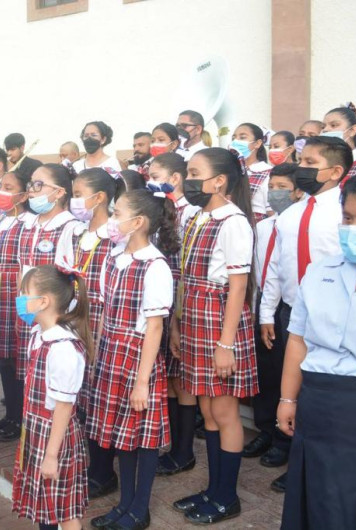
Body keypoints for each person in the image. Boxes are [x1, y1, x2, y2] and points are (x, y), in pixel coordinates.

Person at [278, 168, 356, 529]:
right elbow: (298, 338)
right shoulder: (322, 270)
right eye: (348, 218)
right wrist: (288, 399)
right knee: (319, 503)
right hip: (319, 405)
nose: (354, 227)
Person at [171, 148, 258, 524]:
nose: (188, 180)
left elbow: (238, 288)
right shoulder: (197, 217)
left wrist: (226, 345)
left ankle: (227, 496)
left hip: (219, 322)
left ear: (219, 180)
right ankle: (212, 488)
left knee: (224, 411)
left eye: (195, 173)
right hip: (194, 318)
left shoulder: (233, 222)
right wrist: (177, 324)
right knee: (207, 409)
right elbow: (184, 276)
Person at [259, 137, 351, 491]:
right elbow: (276, 266)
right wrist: (268, 312)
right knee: (291, 384)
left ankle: (315, 461)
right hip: (291, 313)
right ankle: (292, 451)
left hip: (331, 315)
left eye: (311, 162)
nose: (302, 168)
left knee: (320, 390)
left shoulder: (344, 213)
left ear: (335, 171)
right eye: (302, 161)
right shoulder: (291, 214)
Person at [88, 189, 176, 530]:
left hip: (138, 357)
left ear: (138, 222)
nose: (112, 220)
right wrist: (97, 353)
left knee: (143, 436)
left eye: (117, 213)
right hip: (111, 353)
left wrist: (142, 382)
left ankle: (140, 509)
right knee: (122, 436)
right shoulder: (114, 257)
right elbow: (105, 311)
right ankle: (125, 503)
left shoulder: (155, 265)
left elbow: (154, 327)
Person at [12, 264, 92, 530]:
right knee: (45, 503)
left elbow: (63, 406)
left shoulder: (62, 348)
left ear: (43, 301)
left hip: (55, 437)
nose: (20, 299)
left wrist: (51, 455)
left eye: (24, 293)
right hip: (37, 431)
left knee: (64, 509)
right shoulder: (40, 335)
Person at [11, 164, 82, 442]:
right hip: (30, 311)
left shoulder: (70, 228)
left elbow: (71, 280)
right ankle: (32, 428)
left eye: (39, 185)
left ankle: (57, 437)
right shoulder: (27, 225)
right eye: (31, 184)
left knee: (56, 386)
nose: (32, 190)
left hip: (54, 316)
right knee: (34, 378)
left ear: (59, 192)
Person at [243, 163, 302, 492]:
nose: (276, 192)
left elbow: (283, 271)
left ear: (297, 191)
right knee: (266, 371)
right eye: (272, 186)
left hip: (287, 304)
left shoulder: (299, 225)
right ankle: (266, 430)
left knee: (286, 373)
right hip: (264, 303)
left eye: (283, 187)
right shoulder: (264, 227)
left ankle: (284, 440)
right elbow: (260, 270)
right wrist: (260, 310)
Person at [149, 154, 200, 478]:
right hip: (160, 300)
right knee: (167, 377)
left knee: (181, 378)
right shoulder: (156, 209)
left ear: (175, 178)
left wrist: (178, 313)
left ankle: (184, 450)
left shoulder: (191, 213)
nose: (150, 181)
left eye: (156, 176)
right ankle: (171, 445)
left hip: (179, 303)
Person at [69, 168, 118, 498]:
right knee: (84, 394)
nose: (74, 201)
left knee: (100, 396)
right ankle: (89, 462)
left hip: (102, 321)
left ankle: (103, 470)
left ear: (99, 197)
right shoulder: (80, 233)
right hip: (80, 317)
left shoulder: (114, 235)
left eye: (78, 194)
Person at [0, 171, 34, 442]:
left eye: (9, 187)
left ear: (23, 195)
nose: (2, 191)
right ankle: (10, 414)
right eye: (1, 186)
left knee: (17, 358)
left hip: (15, 292)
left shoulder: (29, 223)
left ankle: (20, 417)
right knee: (3, 358)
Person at [231, 122, 273, 222]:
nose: (236, 142)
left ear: (257, 143)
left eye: (242, 137)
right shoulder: (231, 171)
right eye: (233, 138)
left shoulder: (267, 173)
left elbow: (271, 212)